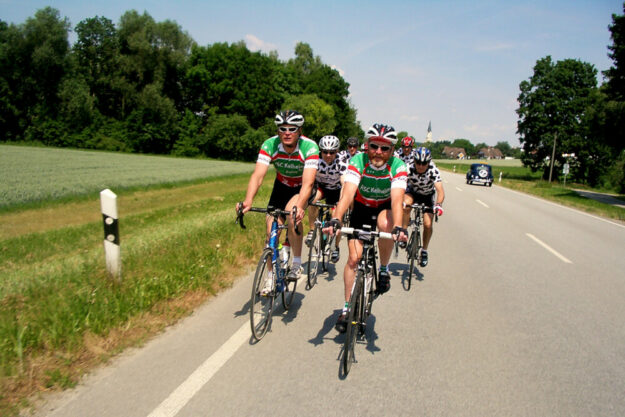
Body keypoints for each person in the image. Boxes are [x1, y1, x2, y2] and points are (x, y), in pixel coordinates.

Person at [323, 123, 408, 333]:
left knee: (385, 225)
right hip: (361, 207)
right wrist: (336, 218)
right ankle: (346, 307)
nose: (378, 152)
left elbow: (397, 199)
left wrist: (399, 227)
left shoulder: (398, 166)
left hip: (384, 207)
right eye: (374, 146)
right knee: (353, 258)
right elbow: (348, 193)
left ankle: (384, 269)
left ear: (392, 150)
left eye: (384, 148)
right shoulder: (357, 160)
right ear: (367, 145)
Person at [237, 110, 319, 285]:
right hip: (281, 186)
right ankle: (270, 275)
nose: (287, 132)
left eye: (292, 129)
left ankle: (297, 263)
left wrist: (300, 206)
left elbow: (308, 183)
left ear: (299, 131)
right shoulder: (270, 145)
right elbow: (258, 176)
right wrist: (248, 200)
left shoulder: (309, 147)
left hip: (302, 187)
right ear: (278, 131)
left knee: (291, 214)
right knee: (270, 233)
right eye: (283, 129)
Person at [306, 135, 348, 263]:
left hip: (336, 189)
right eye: (325, 151)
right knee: (312, 201)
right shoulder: (316, 160)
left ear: (337, 151)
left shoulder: (341, 161)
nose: (328, 155)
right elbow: (309, 179)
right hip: (322, 188)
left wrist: (341, 202)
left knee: (336, 217)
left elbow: (344, 183)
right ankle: (312, 230)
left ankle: (336, 247)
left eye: (332, 152)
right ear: (320, 151)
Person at [401, 147, 445, 267]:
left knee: (427, 224)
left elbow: (440, 191)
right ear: (414, 161)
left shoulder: (433, 170)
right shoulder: (408, 167)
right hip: (413, 192)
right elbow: (401, 184)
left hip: (427, 195)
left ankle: (424, 250)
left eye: (424, 163)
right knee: (405, 205)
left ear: (428, 162)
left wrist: (439, 205)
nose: (420, 166)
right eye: (418, 163)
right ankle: (404, 232)